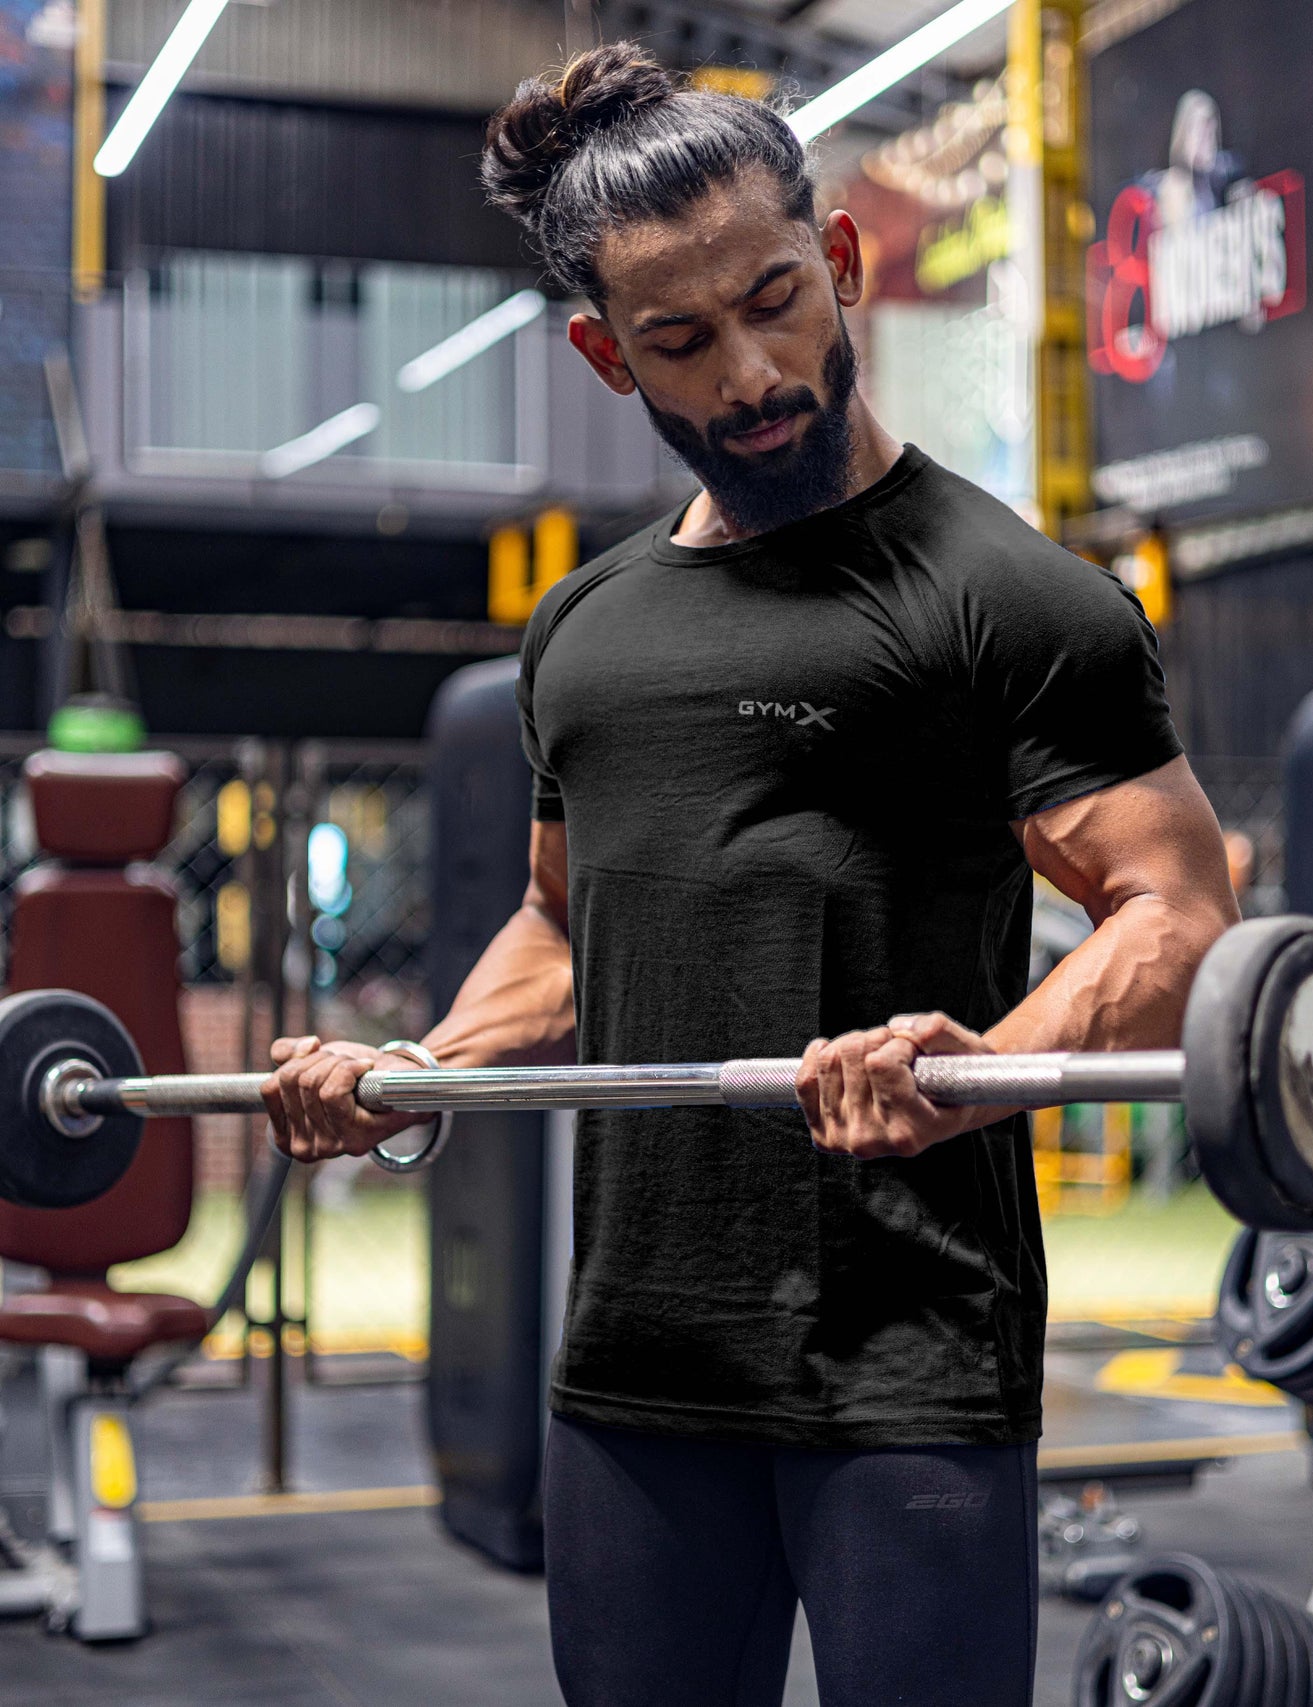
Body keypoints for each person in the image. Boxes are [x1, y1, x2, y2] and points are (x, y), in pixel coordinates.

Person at [263, 44, 1240, 1707]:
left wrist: (987, 1065)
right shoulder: (582, 631)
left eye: (775, 301)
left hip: (905, 1365)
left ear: (839, 259)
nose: (750, 373)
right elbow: (562, 924)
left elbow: (1176, 909)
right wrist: (416, 1070)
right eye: (680, 342)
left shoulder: (1014, 600)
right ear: (606, 353)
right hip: (636, 1364)